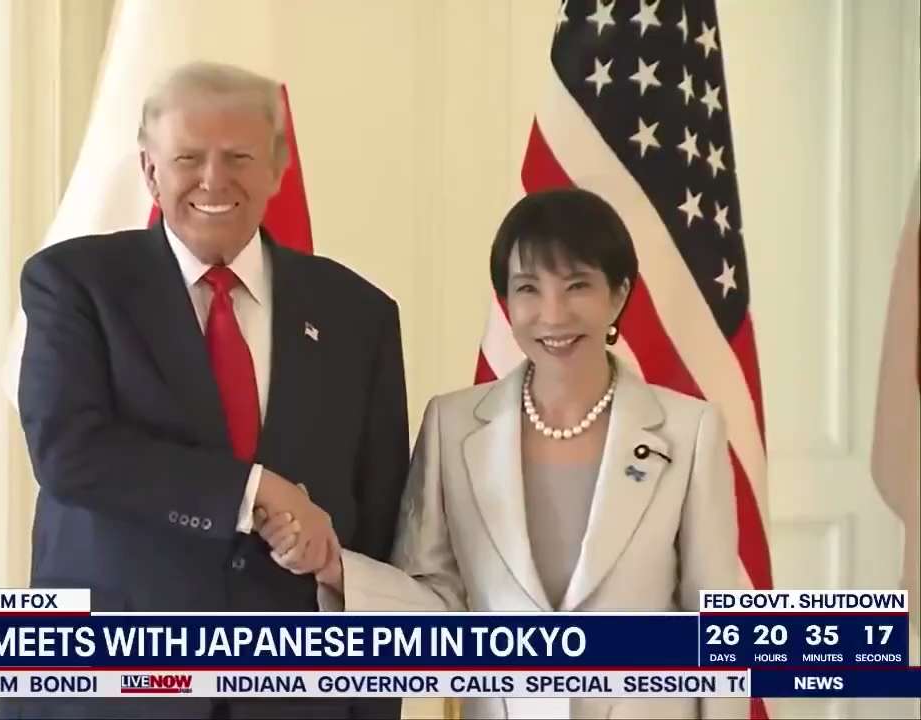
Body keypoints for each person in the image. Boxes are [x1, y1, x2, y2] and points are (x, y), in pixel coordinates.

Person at [0, 61, 409, 720]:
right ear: (150, 170)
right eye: (189, 157)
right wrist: (250, 492)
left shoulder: (358, 313)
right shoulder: (75, 284)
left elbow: (379, 526)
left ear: (277, 168)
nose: (214, 180)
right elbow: (69, 454)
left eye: (239, 156)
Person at [261, 188, 746, 719]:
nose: (552, 314)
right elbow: (436, 603)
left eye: (577, 286)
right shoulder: (452, 425)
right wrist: (335, 567)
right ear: (507, 303)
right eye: (528, 289)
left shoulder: (690, 429)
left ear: (619, 295)